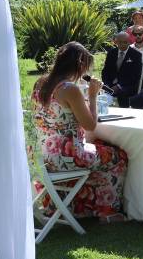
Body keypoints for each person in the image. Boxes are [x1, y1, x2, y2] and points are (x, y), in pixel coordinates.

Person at [32, 42, 128, 221]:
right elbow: (90, 125)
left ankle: (76, 208)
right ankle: (107, 212)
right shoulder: (69, 89)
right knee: (117, 156)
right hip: (67, 158)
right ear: (80, 65)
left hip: (43, 156)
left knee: (98, 147)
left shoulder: (41, 83)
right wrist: (92, 96)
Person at [101, 31, 143, 108]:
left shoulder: (136, 55)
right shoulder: (111, 53)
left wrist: (119, 86)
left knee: (121, 93)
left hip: (127, 85)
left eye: (125, 42)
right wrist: (106, 84)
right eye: (120, 42)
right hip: (111, 84)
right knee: (101, 92)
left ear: (129, 42)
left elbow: (135, 76)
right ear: (116, 42)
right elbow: (105, 71)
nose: (122, 44)